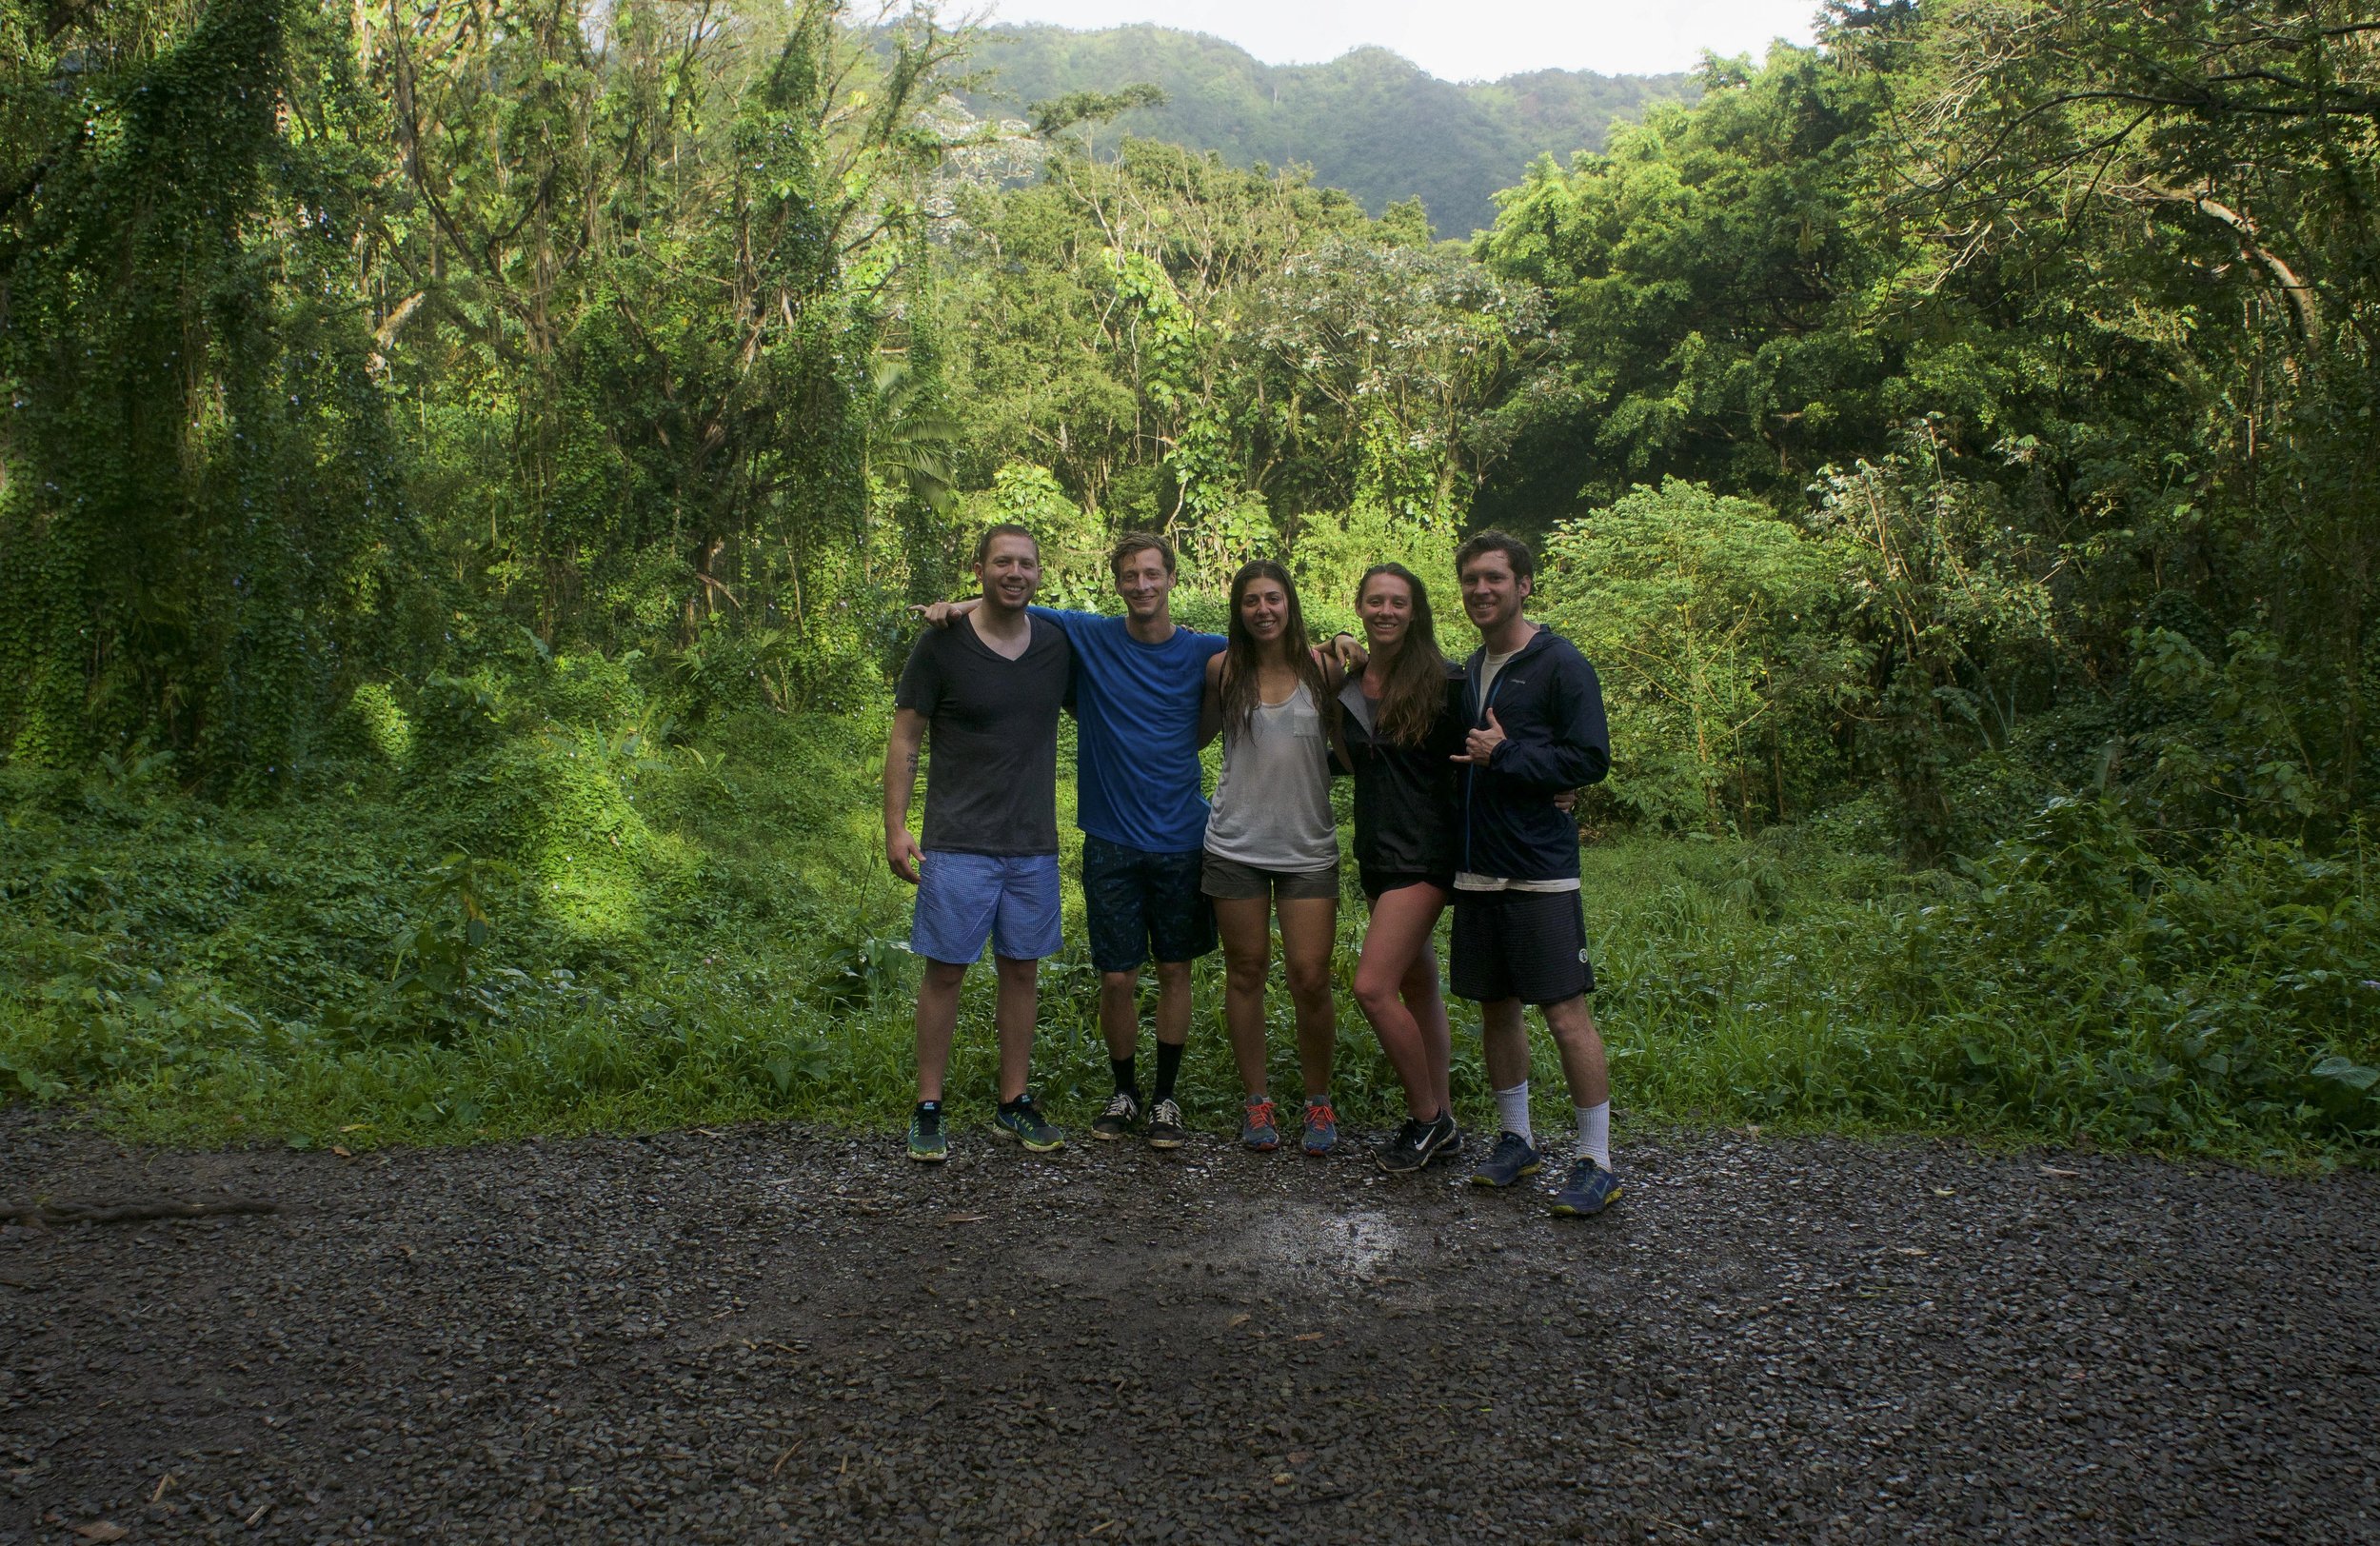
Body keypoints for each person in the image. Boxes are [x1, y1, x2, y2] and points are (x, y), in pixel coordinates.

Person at [923, 533, 1223, 1149]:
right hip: (1110, 839)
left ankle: (1165, 1097)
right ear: (1116, 583)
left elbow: (1272, 650)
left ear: (1171, 578)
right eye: (1129, 576)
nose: (1141, 585)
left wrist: (1339, 647)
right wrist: (953, 607)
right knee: (1117, 978)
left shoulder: (1207, 651)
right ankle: (1124, 1090)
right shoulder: (1088, 634)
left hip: (1181, 839)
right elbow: (1007, 606)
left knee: (1173, 969)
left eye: (1151, 574)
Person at [1446, 530, 1623, 1217]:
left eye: (1494, 578)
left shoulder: (1560, 664)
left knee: (1565, 1013)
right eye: (1470, 581)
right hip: (1480, 873)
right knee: (1496, 1009)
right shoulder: (1473, 667)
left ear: (1524, 584)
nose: (1481, 591)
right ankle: (1516, 1140)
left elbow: (1589, 760)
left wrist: (1509, 755)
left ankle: (1596, 1160)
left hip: (1542, 874)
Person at [884, 525, 1072, 1162]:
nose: (1014, 572)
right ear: (979, 569)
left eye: (1026, 563)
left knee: (1022, 971)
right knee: (946, 973)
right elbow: (906, 738)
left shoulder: (1055, 645)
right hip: (957, 842)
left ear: (1040, 574)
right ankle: (928, 1107)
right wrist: (895, 827)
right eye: (1002, 563)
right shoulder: (940, 647)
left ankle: (1012, 1103)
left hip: (1032, 844)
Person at [1200, 560, 1345, 1154]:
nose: (1263, 610)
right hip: (1235, 843)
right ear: (1238, 610)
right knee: (1246, 972)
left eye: (1273, 599)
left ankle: (1318, 1101)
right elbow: (1191, 735)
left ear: (1290, 604)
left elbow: (1359, 742)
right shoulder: (1223, 670)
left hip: (1308, 846)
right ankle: (1257, 1103)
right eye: (1251, 601)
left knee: (1310, 977)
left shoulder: (1324, 670)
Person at [1334, 564, 1468, 1173]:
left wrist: (1556, 790)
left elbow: (1491, 745)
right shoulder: (1353, 682)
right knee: (1417, 986)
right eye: (1375, 601)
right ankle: (1445, 1118)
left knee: (1372, 987)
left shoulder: (1444, 682)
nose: (1386, 611)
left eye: (1399, 602)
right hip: (1378, 854)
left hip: (1425, 854)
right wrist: (1335, 652)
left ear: (1415, 613)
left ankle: (1427, 1118)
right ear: (1360, 608)